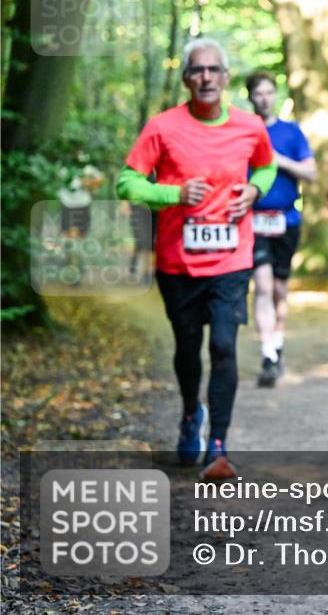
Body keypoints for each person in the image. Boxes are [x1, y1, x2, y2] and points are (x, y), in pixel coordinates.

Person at [117, 38, 277, 480]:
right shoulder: (162, 127)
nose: (206, 77)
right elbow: (127, 182)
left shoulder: (250, 127)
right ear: (187, 79)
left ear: (226, 78)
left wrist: (255, 189)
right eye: (197, 70)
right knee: (188, 348)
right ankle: (191, 412)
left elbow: (266, 166)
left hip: (232, 260)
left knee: (224, 347)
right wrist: (174, 194)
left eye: (213, 70)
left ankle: (218, 445)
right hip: (178, 263)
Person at [245, 71, 317, 387]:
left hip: (287, 221)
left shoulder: (291, 132)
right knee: (262, 285)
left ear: (276, 94)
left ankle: (277, 342)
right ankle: (268, 354)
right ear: (250, 97)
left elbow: (311, 173)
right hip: (253, 221)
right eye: (258, 93)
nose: (264, 99)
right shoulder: (243, 131)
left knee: (278, 290)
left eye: (268, 92)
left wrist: (277, 160)